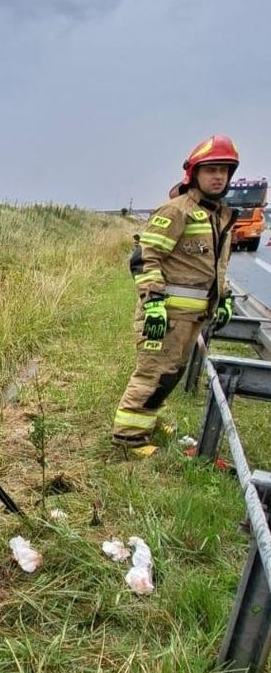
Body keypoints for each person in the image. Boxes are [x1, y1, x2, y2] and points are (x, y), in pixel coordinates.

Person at [112, 135, 240, 454]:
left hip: (191, 317)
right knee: (153, 373)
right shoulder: (176, 211)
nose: (218, 176)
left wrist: (222, 298)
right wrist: (153, 303)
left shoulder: (219, 216)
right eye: (211, 169)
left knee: (170, 374)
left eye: (224, 170)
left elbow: (215, 267)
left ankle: (147, 422)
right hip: (165, 315)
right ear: (194, 174)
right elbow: (144, 257)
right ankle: (128, 438)